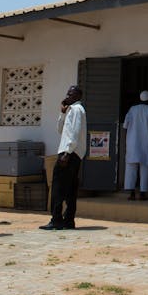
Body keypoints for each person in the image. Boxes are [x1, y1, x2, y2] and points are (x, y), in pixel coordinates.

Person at [40, 85, 87, 231]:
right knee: (69, 188)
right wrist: (62, 113)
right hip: (70, 152)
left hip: (69, 153)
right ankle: (68, 220)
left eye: (72, 94)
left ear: (78, 96)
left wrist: (67, 152)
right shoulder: (70, 110)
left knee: (58, 186)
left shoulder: (77, 110)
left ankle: (56, 219)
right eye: (67, 94)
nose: (68, 96)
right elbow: (60, 130)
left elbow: (74, 131)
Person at [122, 90, 148, 200]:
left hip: (132, 144)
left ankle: (131, 193)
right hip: (146, 144)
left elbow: (125, 126)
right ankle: (142, 193)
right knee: (146, 168)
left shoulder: (132, 110)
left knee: (131, 169)